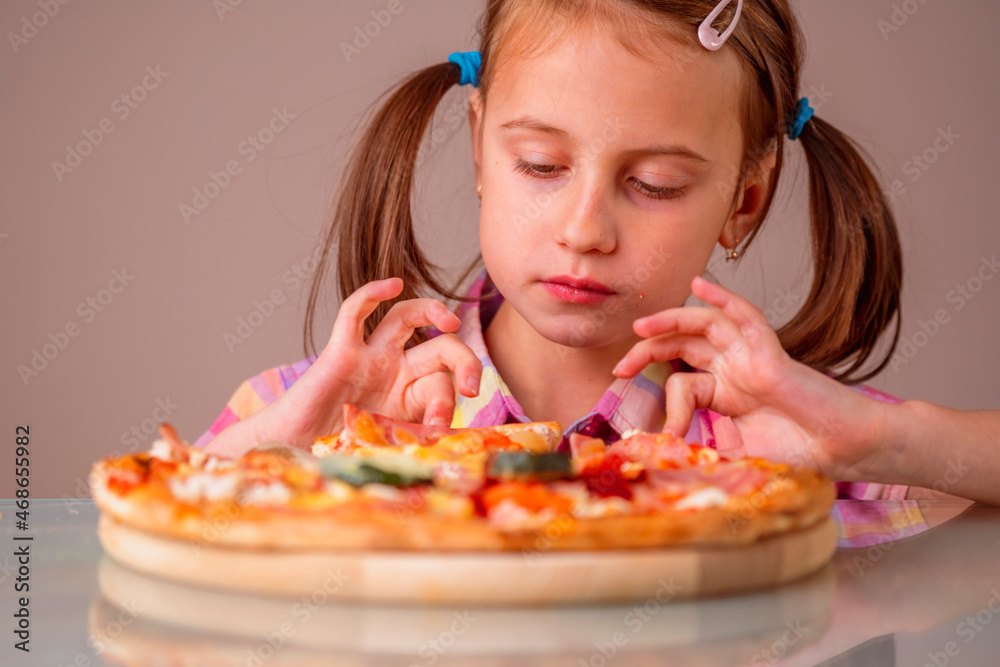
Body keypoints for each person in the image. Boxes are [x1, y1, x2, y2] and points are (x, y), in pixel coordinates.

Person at [198, 0, 998, 504]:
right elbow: (158, 525)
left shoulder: (785, 434)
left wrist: (883, 441)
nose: (585, 230)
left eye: (653, 183)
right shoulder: (329, 412)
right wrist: (285, 449)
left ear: (746, 198)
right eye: (542, 166)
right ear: (479, 149)